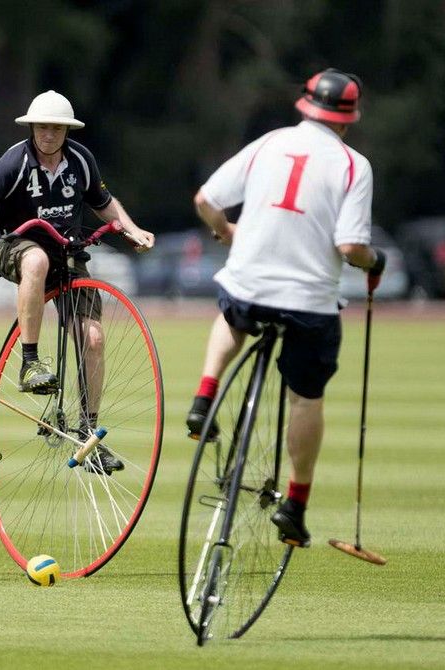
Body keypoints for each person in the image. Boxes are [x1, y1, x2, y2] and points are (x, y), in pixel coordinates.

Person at [185, 69, 386, 547]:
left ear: (305, 106)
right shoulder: (354, 165)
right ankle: (295, 504)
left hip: (250, 284)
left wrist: (229, 232)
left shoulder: (270, 143)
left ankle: (203, 398)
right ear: (348, 120)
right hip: (310, 303)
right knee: (305, 397)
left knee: (232, 311)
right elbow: (352, 244)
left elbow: (205, 200)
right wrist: (374, 262)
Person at [0, 90, 154, 474]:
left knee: (93, 337)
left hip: (68, 255)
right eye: (43, 126)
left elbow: (103, 202)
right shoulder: (15, 161)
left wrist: (132, 228)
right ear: (33, 128)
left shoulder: (80, 160)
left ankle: (89, 433)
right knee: (37, 259)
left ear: (66, 130)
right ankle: (29, 362)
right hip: (16, 247)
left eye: (56, 127)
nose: (48, 133)